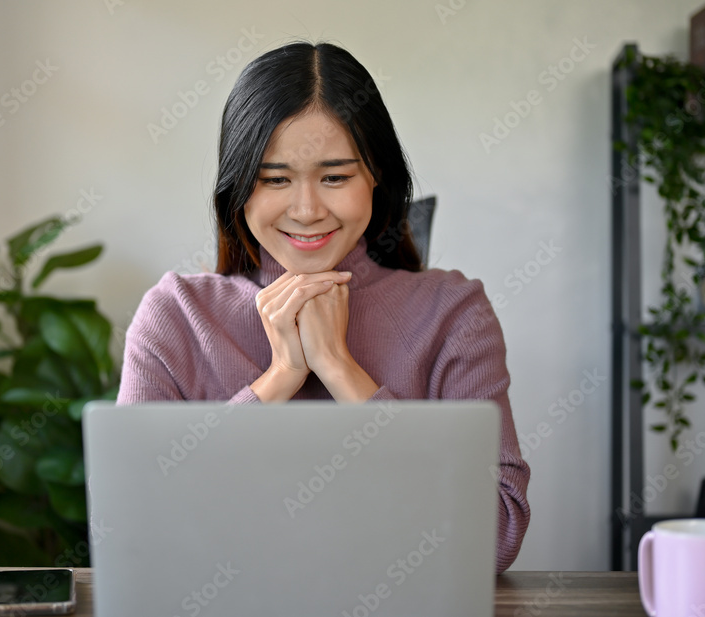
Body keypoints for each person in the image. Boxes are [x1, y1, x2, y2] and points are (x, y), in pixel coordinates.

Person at [118, 41, 530, 573]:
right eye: (274, 179)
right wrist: (281, 378)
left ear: (376, 176)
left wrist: (340, 369)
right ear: (238, 188)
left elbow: (494, 537)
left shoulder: (453, 313)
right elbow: (136, 532)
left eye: (334, 176)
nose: (307, 210)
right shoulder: (174, 316)